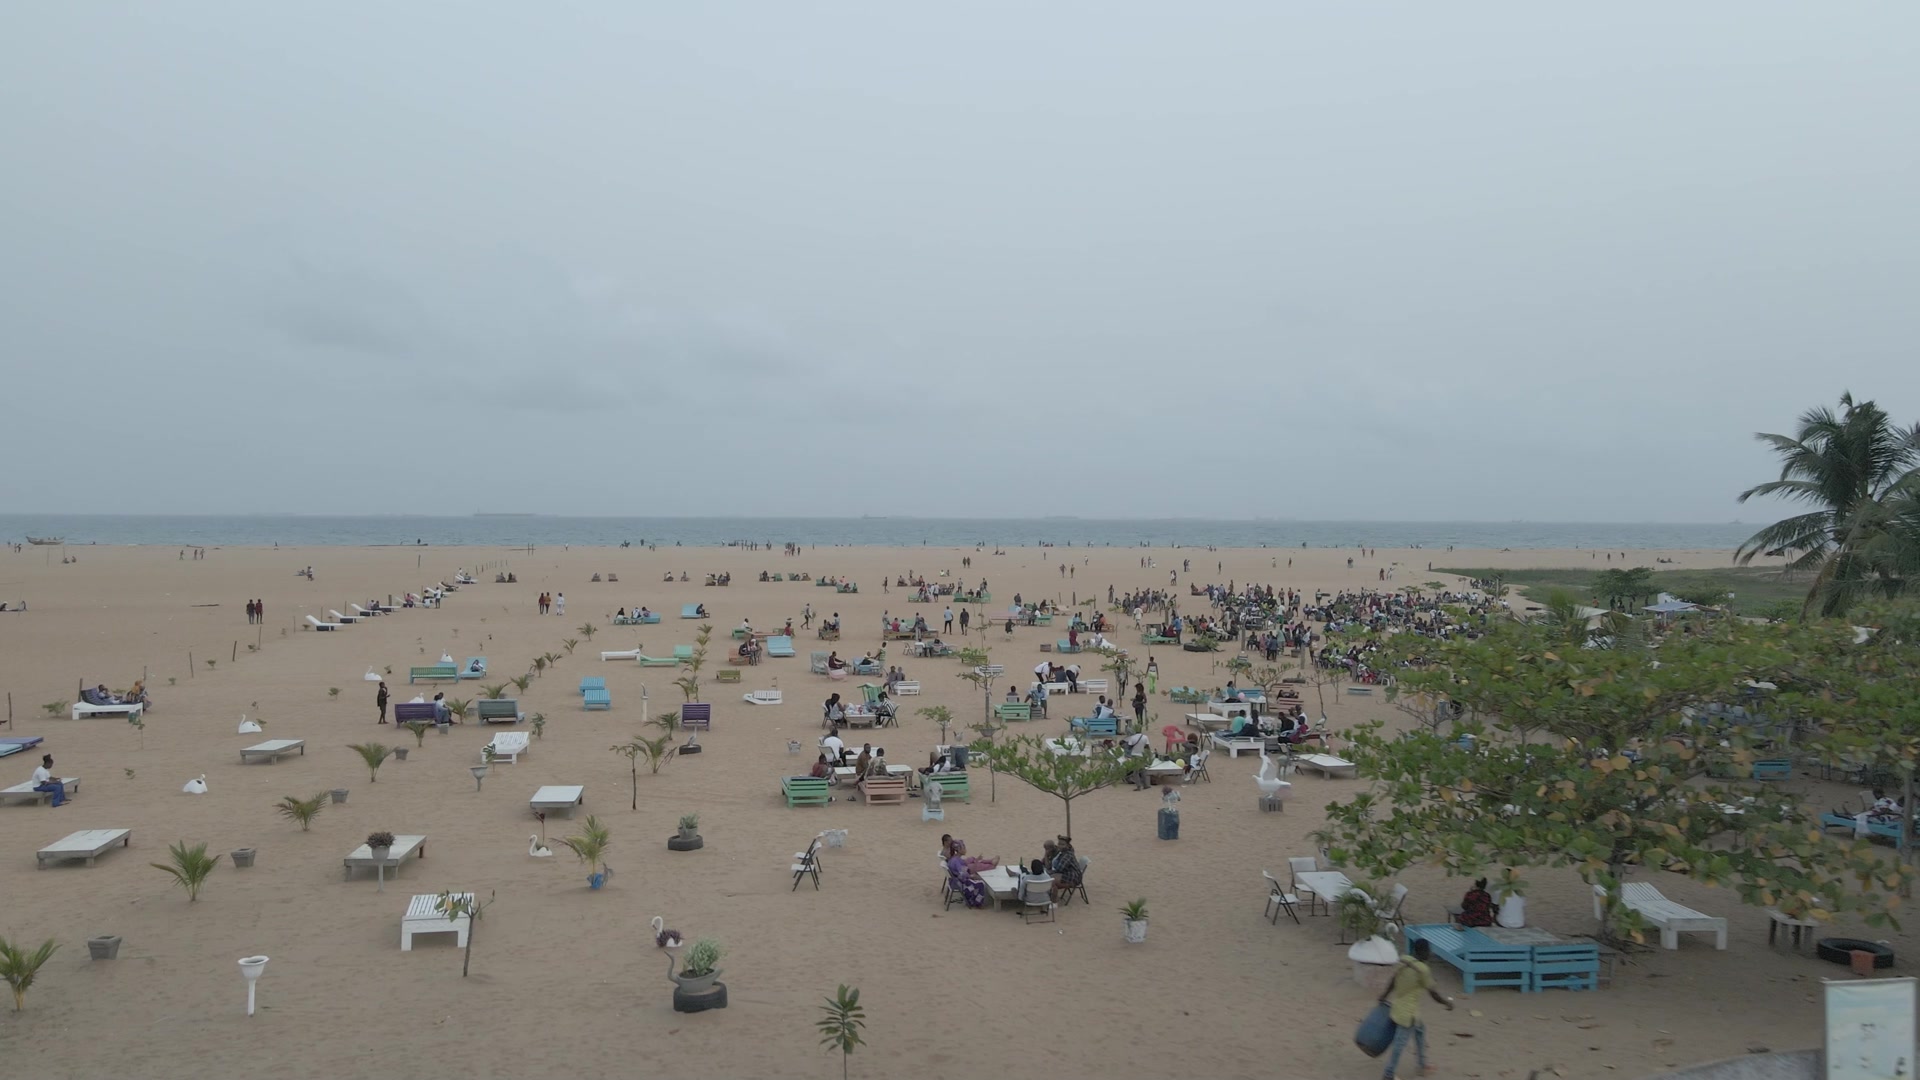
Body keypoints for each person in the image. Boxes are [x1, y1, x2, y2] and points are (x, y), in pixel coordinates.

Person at [1381, 938, 1454, 1080]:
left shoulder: (1403, 960)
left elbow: (1393, 981)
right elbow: (1433, 993)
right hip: (1408, 1014)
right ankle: (1388, 1074)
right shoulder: (1423, 970)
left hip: (1398, 1006)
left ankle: (1422, 1065)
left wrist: (1383, 996)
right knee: (1400, 1043)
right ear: (1424, 952)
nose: (1429, 954)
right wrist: (1446, 1003)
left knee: (1420, 1031)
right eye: (1428, 951)